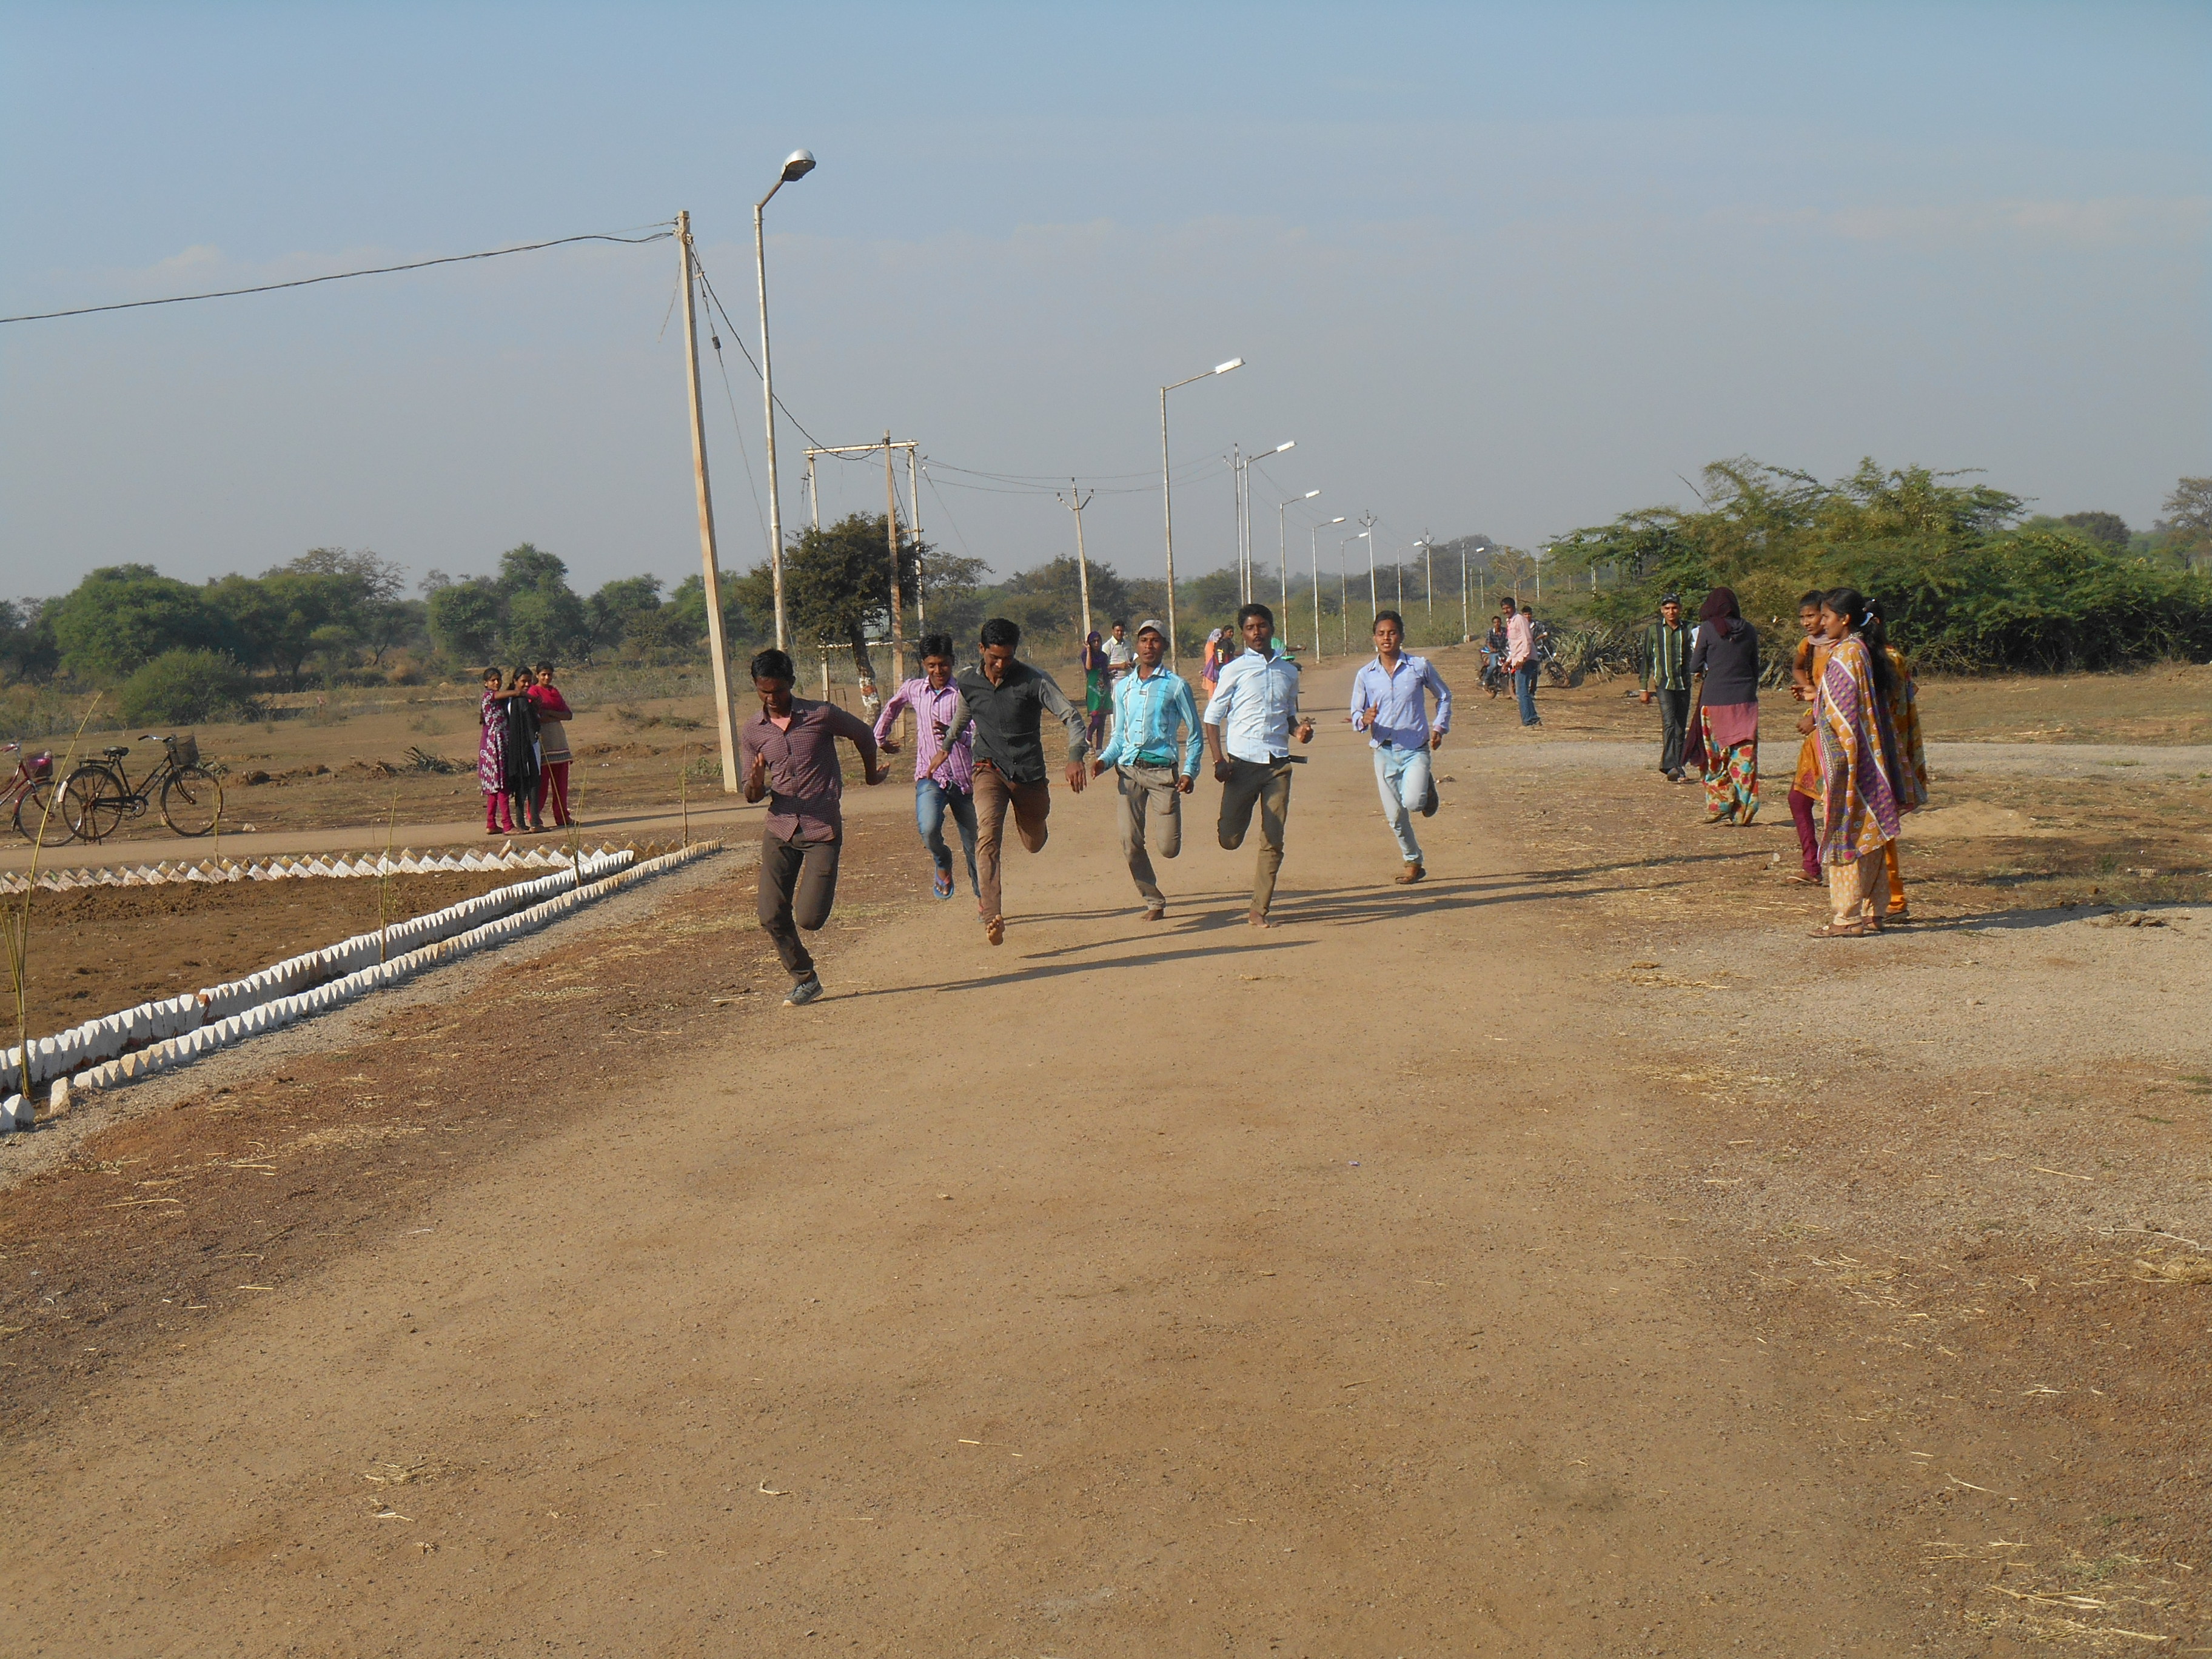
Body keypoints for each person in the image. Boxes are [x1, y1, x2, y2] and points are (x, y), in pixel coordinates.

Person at [739, 647, 885, 1004]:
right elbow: (751, 794)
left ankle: (808, 954)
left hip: (822, 831)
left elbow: (864, 734)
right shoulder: (752, 732)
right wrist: (756, 782)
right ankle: (805, 978)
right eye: (764, 691)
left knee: (808, 919)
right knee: (770, 913)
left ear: (791, 683)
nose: (772, 698)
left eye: (778, 690)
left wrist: (869, 776)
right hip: (781, 827)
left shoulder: (820, 715)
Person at [936, 617, 1090, 946]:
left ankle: (1035, 825)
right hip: (988, 768)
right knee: (987, 834)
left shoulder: (1035, 680)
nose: (1000, 664)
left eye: (1007, 657)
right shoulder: (968, 682)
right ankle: (992, 912)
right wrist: (945, 748)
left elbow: (1072, 717)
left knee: (1034, 842)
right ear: (981, 650)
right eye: (994, 658)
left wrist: (1075, 755)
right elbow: (962, 718)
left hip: (1029, 775)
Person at [1202, 603, 1315, 928]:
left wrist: (1300, 732)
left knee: (1274, 838)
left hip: (1278, 767)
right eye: (1250, 628)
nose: (1257, 633)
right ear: (1242, 634)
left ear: (1272, 629)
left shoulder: (1289, 672)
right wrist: (1219, 760)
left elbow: (1289, 717)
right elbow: (1212, 720)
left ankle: (1259, 909)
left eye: (1262, 626)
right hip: (1241, 766)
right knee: (1230, 838)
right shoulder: (1233, 671)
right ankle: (1233, 825)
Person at [1089, 618, 1202, 920]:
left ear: (1163, 646)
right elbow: (1118, 737)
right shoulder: (1124, 688)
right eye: (1144, 640)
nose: (1149, 646)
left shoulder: (1177, 686)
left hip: (1164, 774)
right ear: (1136, 646)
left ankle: (1166, 845)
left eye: (1155, 640)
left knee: (1168, 848)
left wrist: (1190, 771)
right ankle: (1152, 899)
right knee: (1130, 842)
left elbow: (1194, 733)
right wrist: (1103, 761)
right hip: (1129, 772)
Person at [1809, 588, 1903, 937]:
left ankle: (1845, 918)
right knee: (1871, 833)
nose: (1822, 623)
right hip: (1870, 756)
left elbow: (1839, 715)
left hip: (1850, 759)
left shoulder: (1847, 654)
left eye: (1827, 617)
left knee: (1846, 830)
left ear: (1844, 619)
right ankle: (1872, 913)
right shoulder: (1863, 650)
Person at [874, 633, 978, 902]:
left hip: (965, 779)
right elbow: (892, 707)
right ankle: (942, 860)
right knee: (929, 828)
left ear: (952, 662)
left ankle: (984, 900)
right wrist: (881, 738)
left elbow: (977, 733)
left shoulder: (964, 692)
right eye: (932, 665)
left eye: (943, 664)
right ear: (924, 664)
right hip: (931, 776)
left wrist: (954, 734)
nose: (938, 670)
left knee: (976, 847)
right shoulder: (914, 689)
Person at [1350, 610, 1452, 883]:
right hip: (1383, 752)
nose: (1387, 638)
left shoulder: (1419, 667)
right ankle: (1413, 861)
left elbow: (1443, 696)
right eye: (1382, 634)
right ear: (1374, 638)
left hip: (1415, 748)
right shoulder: (1366, 675)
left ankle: (1425, 788)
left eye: (1392, 633)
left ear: (1402, 636)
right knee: (1395, 815)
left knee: (1413, 802)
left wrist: (1439, 727)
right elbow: (1356, 715)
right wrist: (1364, 719)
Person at [1868, 599, 1928, 922]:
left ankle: (1893, 899)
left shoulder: (1885, 659)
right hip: (1887, 751)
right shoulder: (1880, 656)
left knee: (1881, 826)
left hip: (1886, 753)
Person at [1689, 588, 1760, 825]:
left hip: (1714, 700)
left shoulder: (1708, 629)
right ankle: (1743, 813)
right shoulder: (1749, 629)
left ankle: (1719, 803)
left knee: (1714, 757)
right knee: (1744, 758)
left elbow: (1695, 664)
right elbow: (1755, 666)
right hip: (1746, 701)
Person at [1783, 591, 1831, 885]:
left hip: (1835, 733)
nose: (1806, 622)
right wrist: (1809, 690)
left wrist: (1815, 715)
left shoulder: (1846, 649)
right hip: (1817, 732)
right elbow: (1798, 667)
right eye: (1802, 617)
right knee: (1799, 799)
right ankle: (1811, 866)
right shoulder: (1810, 646)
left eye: (1812, 616)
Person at [1639, 594, 1694, 782]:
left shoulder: (1689, 629)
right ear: (1662, 610)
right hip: (1664, 684)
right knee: (1669, 723)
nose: (1671, 612)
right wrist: (1643, 688)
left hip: (1684, 684)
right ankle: (1670, 766)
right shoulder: (1654, 631)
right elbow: (1646, 660)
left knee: (1680, 727)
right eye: (1667, 608)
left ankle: (1678, 767)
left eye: (1674, 608)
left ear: (1680, 608)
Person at [528, 662, 575, 829]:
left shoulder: (554, 692)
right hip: (543, 743)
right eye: (543, 675)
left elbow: (568, 715)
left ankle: (563, 817)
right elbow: (536, 717)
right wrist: (555, 716)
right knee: (541, 784)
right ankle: (534, 818)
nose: (547, 678)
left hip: (559, 742)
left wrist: (551, 714)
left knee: (561, 785)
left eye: (549, 675)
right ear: (538, 675)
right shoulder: (533, 692)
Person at [500, 666, 543, 833]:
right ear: (515, 681)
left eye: (529, 681)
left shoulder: (509, 700)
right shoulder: (522, 701)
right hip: (528, 745)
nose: (527, 684)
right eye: (523, 681)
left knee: (520, 783)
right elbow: (532, 723)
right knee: (533, 781)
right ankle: (534, 823)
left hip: (513, 746)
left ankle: (521, 822)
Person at [477, 667, 516, 834]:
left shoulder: (498, 700)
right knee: (502, 785)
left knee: (494, 788)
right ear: (486, 683)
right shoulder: (488, 696)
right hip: (495, 745)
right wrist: (519, 692)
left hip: (498, 743)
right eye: (493, 680)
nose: (496, 683)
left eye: (498, 679)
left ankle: (491, 823)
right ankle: (508, 825)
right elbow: (504, 695)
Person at [1505, 603, 1541, 726]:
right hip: (1518, 659)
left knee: (1521, 692)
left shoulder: (1520, 619)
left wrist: (1523, 658)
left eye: (1508, 608)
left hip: (1526, 660)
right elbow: (1515, 645)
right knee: (1523, 691)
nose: (1506, 611)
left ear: (1513, 607)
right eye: (1503, 609)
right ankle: (1533, 719)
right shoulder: (1510, 622)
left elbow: (1528, 640)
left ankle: (1529, 720)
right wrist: (1508, 661)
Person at [1080, 629, 1111, 751]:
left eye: (1099, 641)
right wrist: (1088, 650)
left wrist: (1109, 676)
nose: (1097, 643)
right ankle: (1088, 737)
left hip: (1104, 688)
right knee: (1096, 719)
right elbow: (1089, 667)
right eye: (1094, 641)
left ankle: (1099, 747)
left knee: (1103, 720)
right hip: (1093, 690)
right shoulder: (1086, 654)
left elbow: (1105, 670)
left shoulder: (1103, 656)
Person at [1104, 620, 1135, 686]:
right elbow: (1103, 666)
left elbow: (1132, 660)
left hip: (1129, 679)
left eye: (1122, 631)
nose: (1120, 633)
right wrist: (1119, 666)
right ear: (1113, 631)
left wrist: (1132, 664)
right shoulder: (1108, 646)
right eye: (1117, 631)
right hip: (1115, 681)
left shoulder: (1128, 644)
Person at [1200, 625, 1231, 692]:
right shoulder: (1211, 645)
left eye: (1220, 635)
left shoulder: (1220, 644)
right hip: (1211, 670)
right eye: (1217, 635)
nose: (1219, 637)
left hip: (1217, 669)